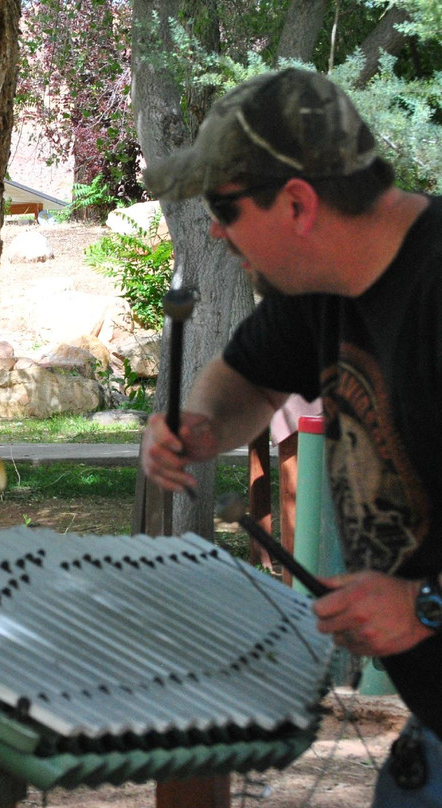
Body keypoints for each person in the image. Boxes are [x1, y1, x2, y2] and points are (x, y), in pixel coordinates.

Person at [139, 68, 442, 805]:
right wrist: (203, 422)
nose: (213, 228)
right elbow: (248, 377)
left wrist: (424, 605)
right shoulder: (319, 286)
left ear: (299, 202)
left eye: (224, 206)